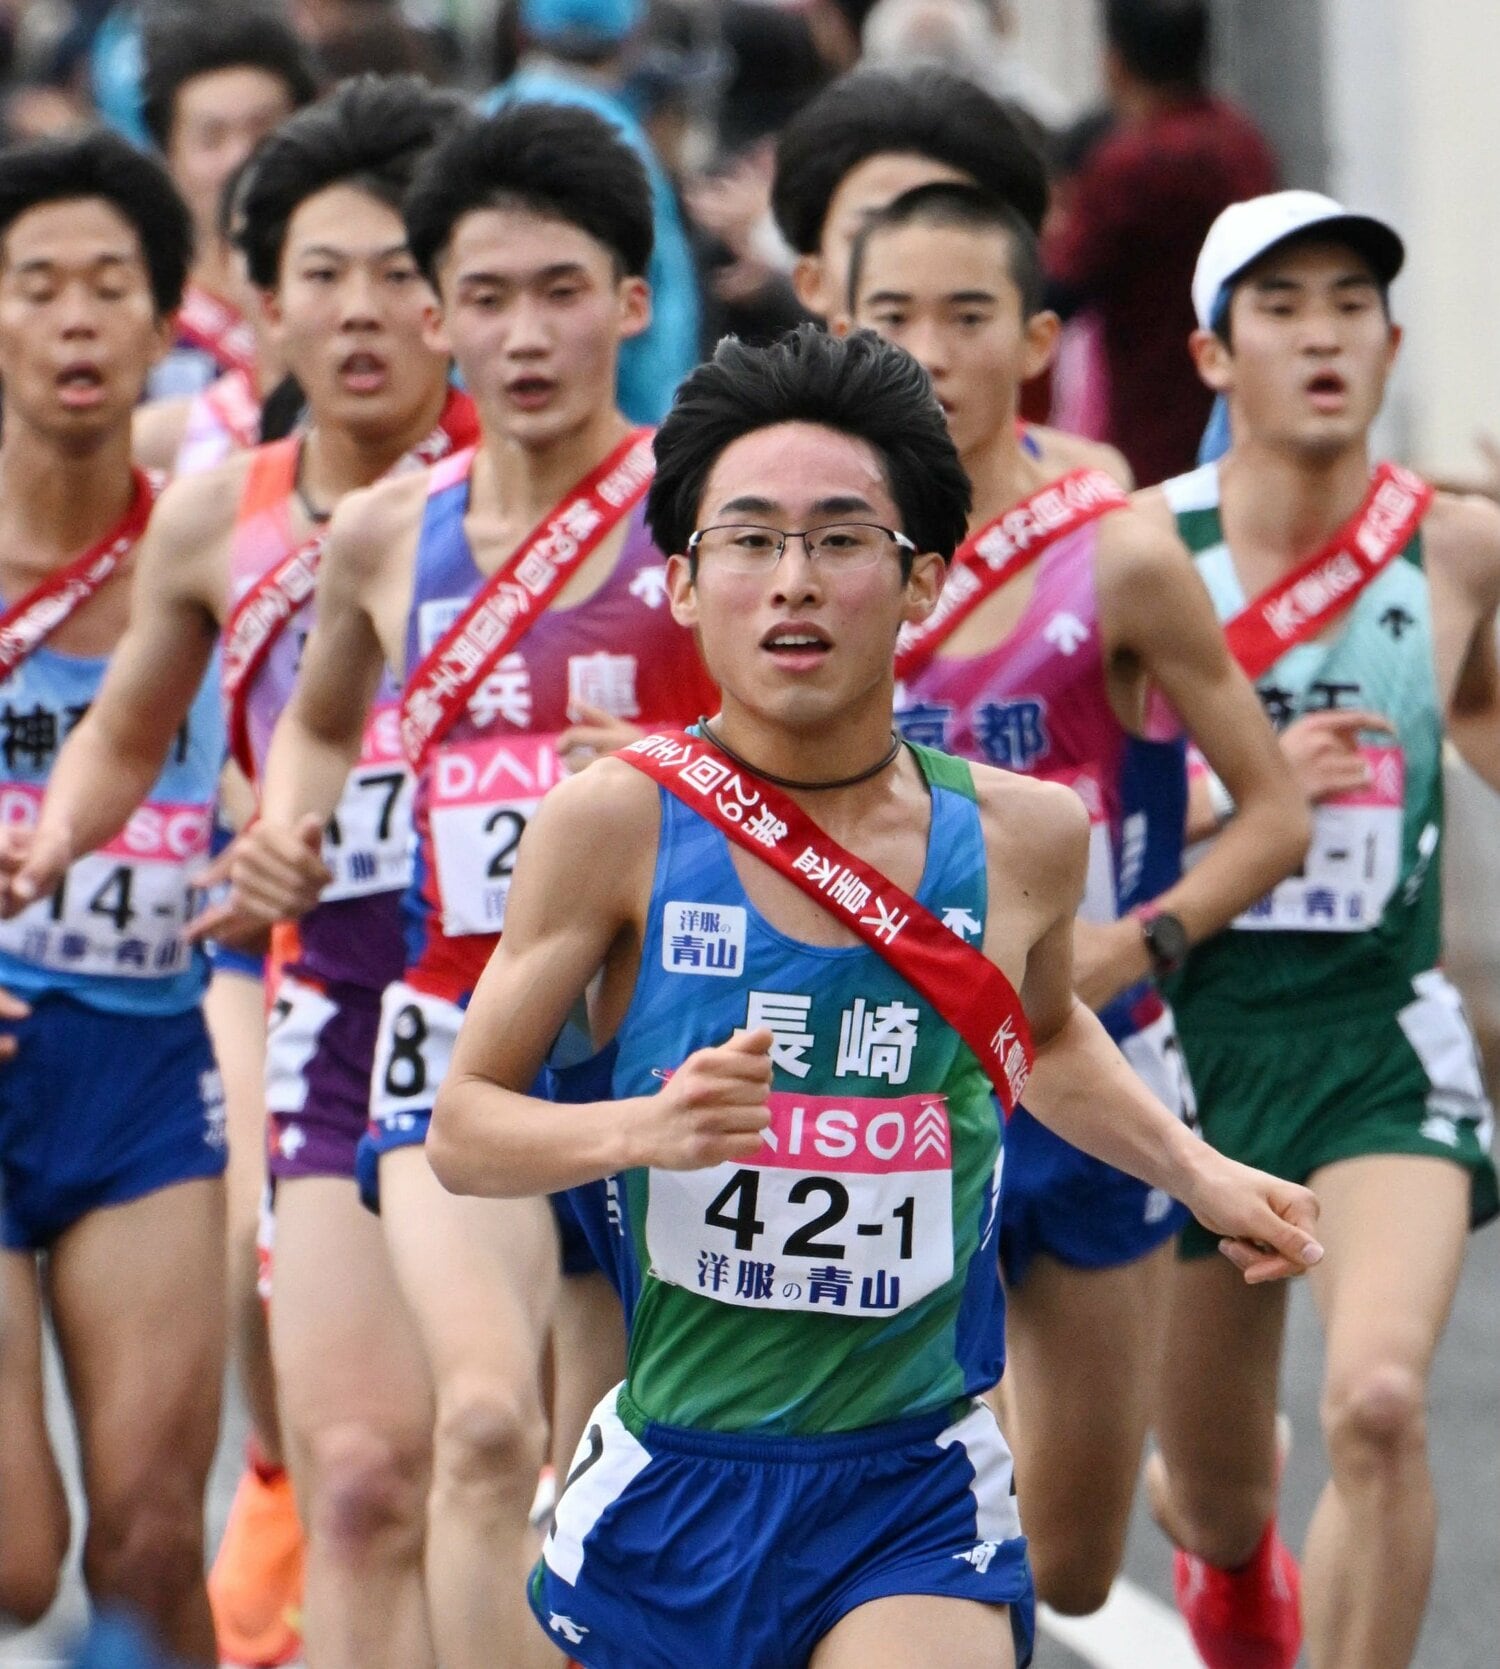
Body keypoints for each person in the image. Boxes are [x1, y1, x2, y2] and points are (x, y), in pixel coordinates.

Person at [422, 322, 1324, 1669]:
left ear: (922, 582)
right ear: (681, 583)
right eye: (751, 541)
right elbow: (466, 1127)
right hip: (678, 1476)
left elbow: (1043, 1025)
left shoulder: (1022, 836)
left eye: (843, 540)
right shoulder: (610, 826)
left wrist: (1199, 1172)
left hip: (910, 1485)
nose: (795, 582)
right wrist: (643, 1133)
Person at [195, 100, 720, 1669]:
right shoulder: (380, 534)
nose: (524, 333)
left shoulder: (710, 515)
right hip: (451, 1033)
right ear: (439, 315)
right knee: (476, 1427)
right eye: (485, 297)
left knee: (633, 1479)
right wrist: (289, 826)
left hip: (666, 1037)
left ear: (632, 302)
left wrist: (680, 767)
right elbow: (319, 719)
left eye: (562, 290)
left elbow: (833, 742)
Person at [9, 76, 475, 1669]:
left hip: (541, 1028)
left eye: (405, 272)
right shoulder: (225, 526)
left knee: (495, 1475)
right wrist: (60, 838)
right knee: (339, 1486)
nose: (365, 313)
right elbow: (125, 740)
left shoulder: (570, 503)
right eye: (323, 276)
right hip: (320, 1018)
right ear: (263, 308)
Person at [845, 181, 1308, 1614]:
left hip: (1084, 1075)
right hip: (882, 1099)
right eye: (892, 317)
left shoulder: (1115, 548)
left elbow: (1276, 810)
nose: (932, 349)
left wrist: (1132, 941)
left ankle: (1210, 1505)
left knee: (1075, 1565)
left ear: (1037, 338)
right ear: (840, 327)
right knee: (910, 1536)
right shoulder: (807, 556)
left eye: (969, 316)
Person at [1141, 190, 1500, 1669]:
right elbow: (1056, 831)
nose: (1322, 334)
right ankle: (1232, 1576)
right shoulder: (1139, 554)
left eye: (1350, 304)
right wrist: (1247, 808)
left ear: (1393, 340)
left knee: (1376, 1404)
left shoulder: (1461, 552)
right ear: (1215, 355)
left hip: (1375, 1039)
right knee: (1219, 1504)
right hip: (1177, 1061)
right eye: (1281, 308)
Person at [0, 129, 224, 1666]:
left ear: (166, 323)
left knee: (147, 1536)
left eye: (109, 287)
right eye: (35, 286)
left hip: (146, 1066)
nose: (76, 319)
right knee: (16, 1564)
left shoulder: (218, 550)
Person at [770, 64, 1131, 488]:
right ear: (811, 279)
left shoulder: (1090, 494)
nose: (918, 259)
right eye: (873, 231)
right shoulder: (733, 489)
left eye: (952, 224)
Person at [1042, 0, 1277, 486]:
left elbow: (1055, 290)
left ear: (1113, 63)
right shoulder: (1243, 141)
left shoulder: (1130, 165)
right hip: (1250, 411)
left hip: (1154, 431)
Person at [482, 0, 702, 427]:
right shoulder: (620, 137)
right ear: (632, 33)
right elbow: (665, 318)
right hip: (611, 444)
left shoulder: (482, 116)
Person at [140, 5, 318, 400]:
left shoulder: (348, 309)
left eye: (265, 130)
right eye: (211, 138)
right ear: (169, 157)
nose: (241, 159)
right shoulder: (144, 323)